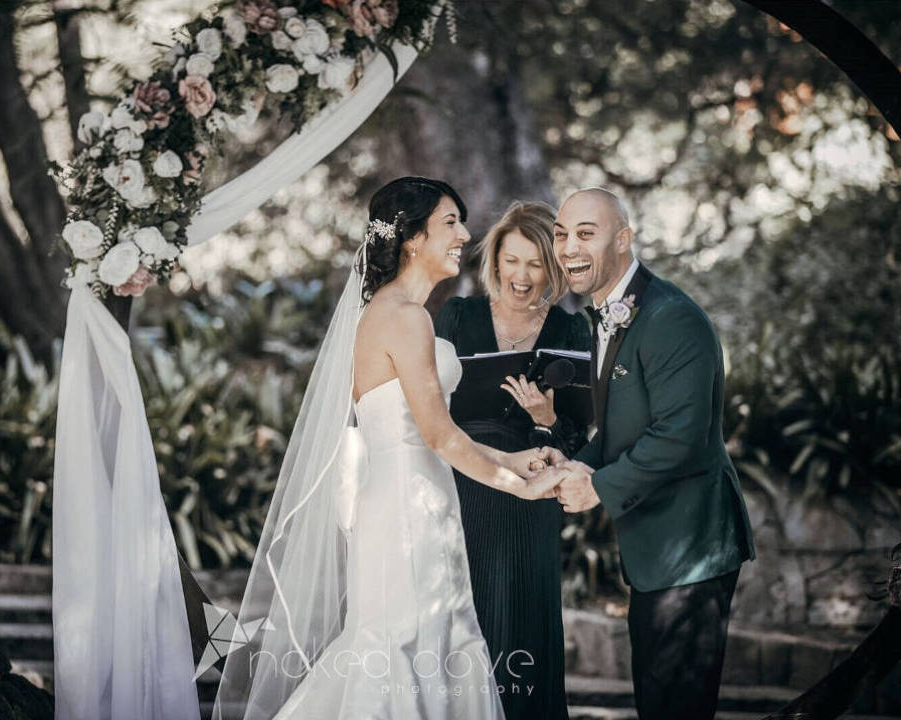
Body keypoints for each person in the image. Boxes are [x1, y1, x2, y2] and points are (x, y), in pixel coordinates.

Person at [212, 177, 565, 720]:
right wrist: (524, 489)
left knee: (420, 644)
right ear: (412, 239)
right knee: (405, 648)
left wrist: (513, 459)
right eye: (450, 222)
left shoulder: (391, 310)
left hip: (417, 500)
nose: (464, 235)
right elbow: (438, 436)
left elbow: (428, 431)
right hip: (408, 511)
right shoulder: (404, 316)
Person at [543, 187, 756, 720]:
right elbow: (623, 428)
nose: (569, 247)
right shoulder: (611, 313)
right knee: (656, 702)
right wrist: (577, 464)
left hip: (691, 546)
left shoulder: (670, 318)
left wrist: (596, 487)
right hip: (654, 551)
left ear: (624, 239)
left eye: (586, 234)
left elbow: (681, 436)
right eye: (562, 234)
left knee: (676, 708)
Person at [434, 200, 589, 719]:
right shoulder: (459, 316)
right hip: (463, 485)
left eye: (535, 264)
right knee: (465, 614)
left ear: (553, 268)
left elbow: (577, 440)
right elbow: (427, 407)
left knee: (523, 618)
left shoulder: (571, 331)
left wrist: (546, 417)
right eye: (511, 261)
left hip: (531, 496)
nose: (521, 277)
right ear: (495, 260)